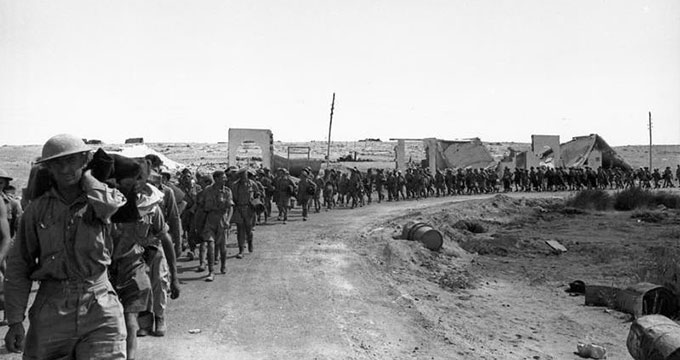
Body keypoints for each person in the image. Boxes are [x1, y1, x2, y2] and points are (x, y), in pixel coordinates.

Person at [4, 134, 127, 359]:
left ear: (84, 160)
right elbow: (19, 265)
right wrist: (15, 321)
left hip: (99, 305)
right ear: (48, 168)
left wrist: (89, 178)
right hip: (52, 307)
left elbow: (110, 205)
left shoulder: (101, 201)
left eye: (72, 160)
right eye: (57, 163)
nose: (65, 168)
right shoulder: (36, 210)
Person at [197, 170, 233, 280]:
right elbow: (201, 206)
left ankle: (223, 265)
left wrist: (228, 220)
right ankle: (211, 271)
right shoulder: (207, 191)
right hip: (210, 220)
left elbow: (230, 207)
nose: (225, 179)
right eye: (223, 178)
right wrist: (198, 223)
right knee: (211, 246)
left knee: (222, 248)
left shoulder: (227, 191)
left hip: (222, 220)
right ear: (216, 179)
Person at [231, 168, 259, 258]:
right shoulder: (235, 185)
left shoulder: (252, 184)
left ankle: (250, 242)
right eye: (242, 176)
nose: (244, 177)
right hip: (239, 208)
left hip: (249, 209)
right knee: (240, 230)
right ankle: (241, 250)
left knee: (248, 229)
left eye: (245, 175)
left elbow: (258, 193)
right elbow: (233, 198)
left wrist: (256, 200)